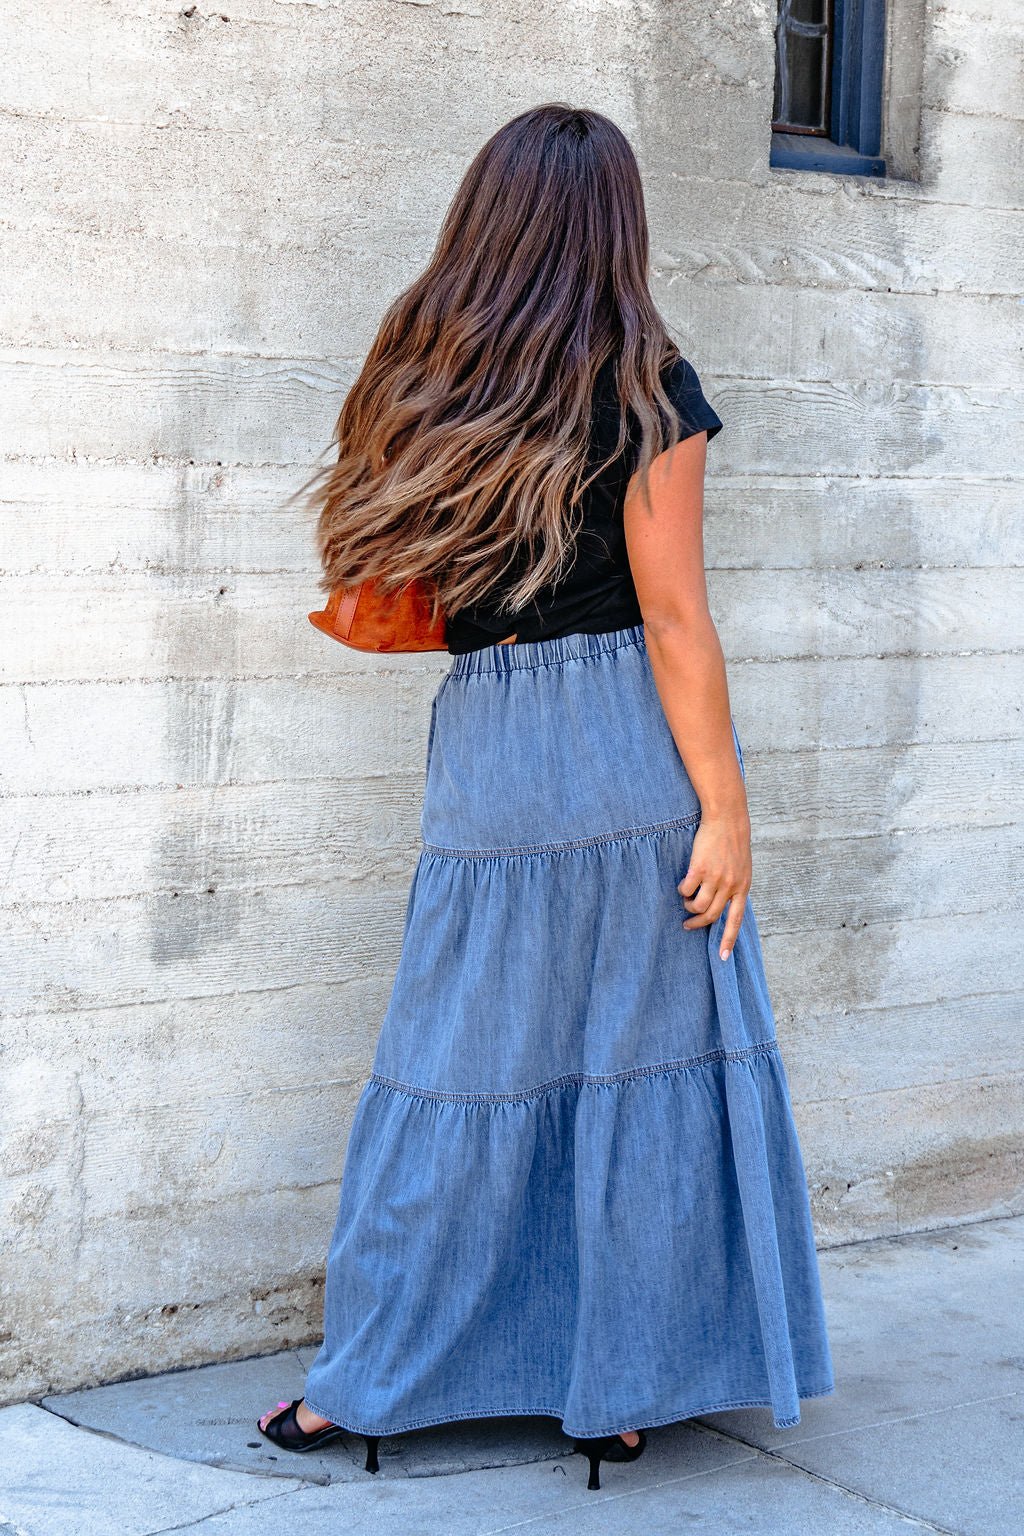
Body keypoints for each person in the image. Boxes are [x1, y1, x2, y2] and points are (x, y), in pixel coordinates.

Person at [258, 101, 835, 1492]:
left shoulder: (430, 370)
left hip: (491, 754)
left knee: (453, 1064)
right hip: (621, 741)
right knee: (633, 1067)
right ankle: (615, 1391)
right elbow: (677, 622)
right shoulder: (648, 386)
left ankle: (365, 1385)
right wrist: (728, 810)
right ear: (618, 229)